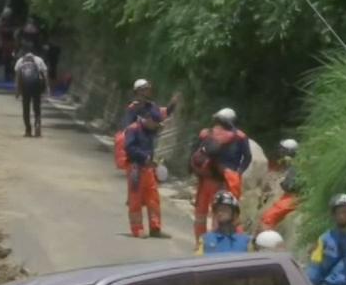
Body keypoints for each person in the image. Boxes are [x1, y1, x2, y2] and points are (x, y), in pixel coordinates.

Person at [189, 108, 251, 240]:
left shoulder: (206, 134)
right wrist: (238, 173)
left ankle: (199, 244)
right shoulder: (240, 136)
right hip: (224, 183)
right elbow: (247, 158)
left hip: (204, 181)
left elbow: (194, 153)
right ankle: (216, 245)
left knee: (200, 215)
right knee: (221, 215)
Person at [114, 79, 178, 170]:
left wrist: (172, 105)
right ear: (139, 91)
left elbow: (161, 114)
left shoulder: (152, 106)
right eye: (146, 89)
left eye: (149, 89)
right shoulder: (133, 108)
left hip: (150, 140)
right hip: (139, 142)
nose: (149, 91)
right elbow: (127, 127)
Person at [124, 108, 166, 238]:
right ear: (148, 118)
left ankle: (155, 228)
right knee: (135, 200)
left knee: (153, 199)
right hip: (135, 168)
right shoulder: (133, 129)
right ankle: (137, 229)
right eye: (155, 122)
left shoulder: (150, 131)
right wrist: (143, 156)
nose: (155, 126)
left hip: (148, 170)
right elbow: (129, 148)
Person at [261, 139, 300, 230]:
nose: (280, 153)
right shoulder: (295, 164)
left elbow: (290, 186)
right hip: (293, 195)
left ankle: (264, 239)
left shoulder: (296, 166)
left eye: (283, 151)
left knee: (268, 217)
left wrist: (283, 184)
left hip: (294, 197)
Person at [14, 48, 49, 137]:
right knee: (36, 107)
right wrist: (46, 88)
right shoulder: (39, 60)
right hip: (36, 86)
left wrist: (18, 91)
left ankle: (28, 130)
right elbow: (44, 75)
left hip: (25, 87)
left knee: (26, 108)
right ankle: (37, 124)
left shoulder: (20, 61)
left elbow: (18, 77)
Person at [0, 7, 18, 83]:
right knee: (3, 59)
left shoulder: (12, 22)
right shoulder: (0, 22)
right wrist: (0, 42)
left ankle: (10, 75)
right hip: (4, 43)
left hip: (10, 44)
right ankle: (3, 75)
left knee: (11, 59)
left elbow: (15, 31)